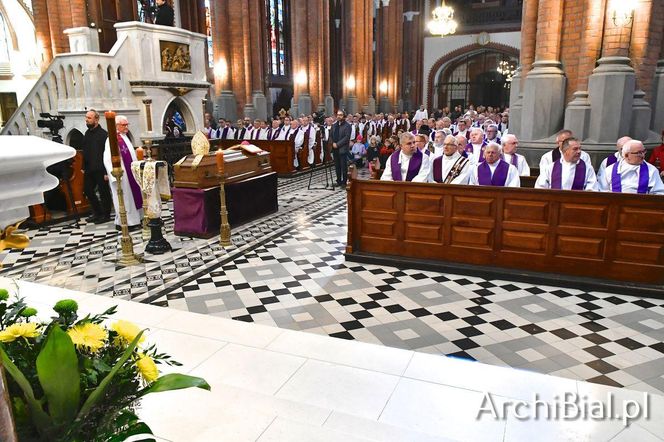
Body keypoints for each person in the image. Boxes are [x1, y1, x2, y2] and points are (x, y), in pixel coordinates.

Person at [103, 115, 143, 230]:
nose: (126, 127)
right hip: (121, 174)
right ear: (116, 126)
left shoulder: (124, 137)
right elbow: (107, 158)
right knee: (124, 199)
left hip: (130, 173)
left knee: (131, 198)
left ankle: (134, 220)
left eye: (127, 124)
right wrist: (114, 176)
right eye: (123, 125)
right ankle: (126, 223)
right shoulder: (112, 138)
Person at [599, 140, 664, 194]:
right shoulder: (609, 170)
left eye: (643, 151)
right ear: (626, 155)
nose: (643, 155)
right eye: (639, 153)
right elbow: (602, 191)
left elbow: (659, 193)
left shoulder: (651, 170)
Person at [82, 109, 111, 224]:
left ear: (96, 119)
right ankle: (97, 212)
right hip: (89, 169)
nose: (86, 120)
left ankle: (106, 214)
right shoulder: (87, 133)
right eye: (86, 117)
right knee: (87, 190)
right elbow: (85, 151)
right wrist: (83, 166)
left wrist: (106, 172)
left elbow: (106, 153)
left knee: (104, 192)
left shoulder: (104, 135)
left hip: (100, 169)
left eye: (89, 118)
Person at [331, 110, 352, 187]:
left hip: (342, 148)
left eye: (341, 115)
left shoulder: (347, 126)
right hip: (335, 148)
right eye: (338, 115)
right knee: (337, 166)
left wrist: (338, 144)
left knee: (343, 166)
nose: (339, 116)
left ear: (344, 116)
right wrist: (333, 143)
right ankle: (338, 180)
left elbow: (346, 137)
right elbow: (331, 135)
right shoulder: (334, 125)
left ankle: (344, 182)